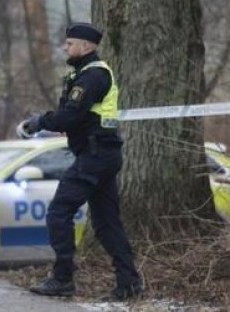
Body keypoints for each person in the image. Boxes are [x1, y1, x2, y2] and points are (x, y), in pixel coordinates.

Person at [18, 22, 143, 300]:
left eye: (70, 43)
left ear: (85, 46)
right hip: (101, 154)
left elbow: (70, 116)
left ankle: (62, 279)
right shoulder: (82, 73)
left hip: (95, 155)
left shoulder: (93, 75)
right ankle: (129, 283)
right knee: (107, 223)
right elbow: (72, 116)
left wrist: (40, 122)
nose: (66, 47)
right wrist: (46, 120)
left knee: (59, 211)